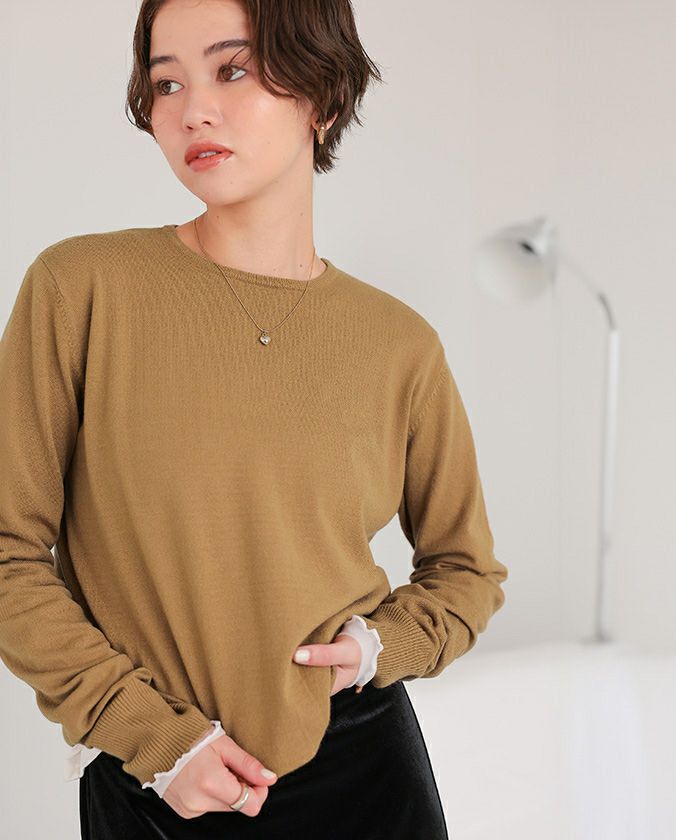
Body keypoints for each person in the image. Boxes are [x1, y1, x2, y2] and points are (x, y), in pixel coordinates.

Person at [0, 0, 508, 837]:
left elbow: (467, 572)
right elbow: (9, 553)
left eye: (231, 70)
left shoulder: (399, 345)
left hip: (365, 772)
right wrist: (152, 737)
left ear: (324, 95)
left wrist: (375, 650)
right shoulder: (80, 289)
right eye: (167, 83)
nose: (193, 110)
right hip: (157, 783)